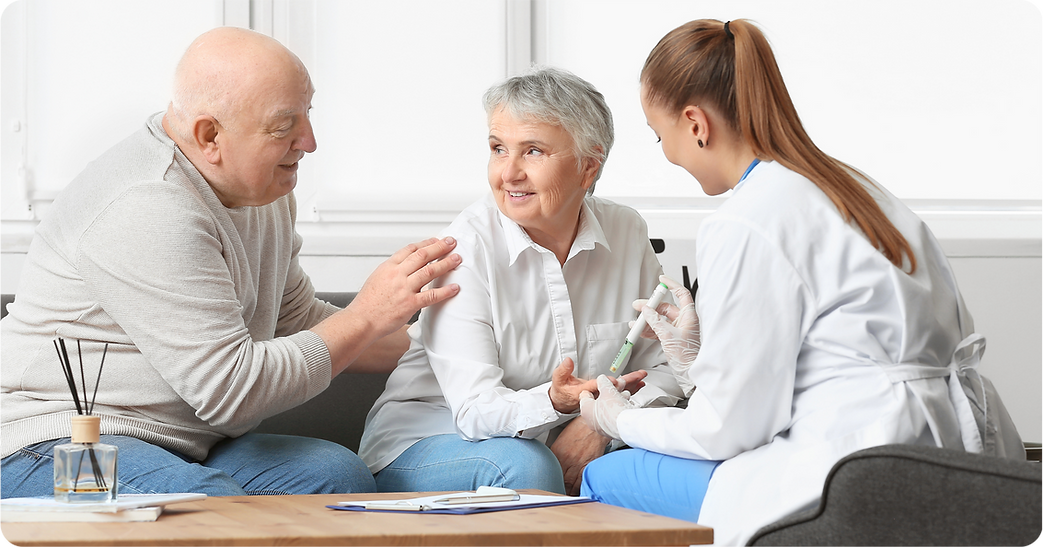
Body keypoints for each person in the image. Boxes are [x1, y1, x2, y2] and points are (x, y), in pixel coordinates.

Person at [576, 19, 1024, 546]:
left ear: (695, 123)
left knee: (601, 477)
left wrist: (619, 419)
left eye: (660, 136)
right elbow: (830, 353)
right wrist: (701, 364)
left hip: (852, 465)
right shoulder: (856, 187)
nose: (668, 154)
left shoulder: (745, 218)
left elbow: (731, 430)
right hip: (950, 447)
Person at [0, 27, 461, 498]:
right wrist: (366, 315)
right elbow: (232, 394)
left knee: (336, 476)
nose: (310, 141)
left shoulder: (263, 190)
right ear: (210, 136)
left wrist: (464, 351)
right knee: (210, 507)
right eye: (284, 127)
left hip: (185, 441)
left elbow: (293, 320)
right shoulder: (148, 205)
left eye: (307, 114)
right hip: (55, 441)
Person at [358, 67, 685, 496]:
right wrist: (555, 403)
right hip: (433, 441)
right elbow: (475, 412)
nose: (508, 173)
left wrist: (603, 423)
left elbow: (666, 367)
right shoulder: (465, 250)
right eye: (498, 149)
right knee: (526, 466)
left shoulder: (626, 232)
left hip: (560, 441)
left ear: (589, 166)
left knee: (672, 464)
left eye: (533, 151)